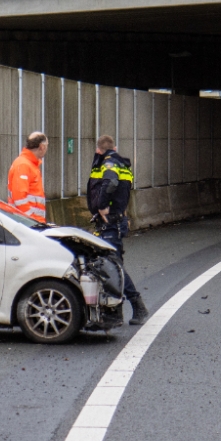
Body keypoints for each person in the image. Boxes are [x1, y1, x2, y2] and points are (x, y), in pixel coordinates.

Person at [87, 135, 149, 326]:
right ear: (114, 146)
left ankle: (136, 306)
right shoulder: (122, 164)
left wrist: (102, 206)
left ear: (99, 150)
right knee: (113, 267)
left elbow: (111, 183)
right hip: (117, 220)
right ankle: (116, 313)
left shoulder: (109, 163)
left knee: (113, 268)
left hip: (110, 222)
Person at [7, 132, 48, 222]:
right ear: (42, 146)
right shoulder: (24, 165)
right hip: (27, 223)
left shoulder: (27, 164)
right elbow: (20, 198)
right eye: (47, 146)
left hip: (27, 221)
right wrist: (32, 220)